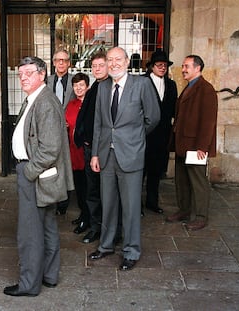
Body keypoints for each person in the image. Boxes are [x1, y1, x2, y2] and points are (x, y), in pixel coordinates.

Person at [4, 56, 74, 297]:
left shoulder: (44, 101)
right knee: (46, 226)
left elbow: (50, 148)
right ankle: (49, 276)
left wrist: (29, 172)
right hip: (37, 174)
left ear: (42, 75)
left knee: (29, 233)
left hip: (35, 174)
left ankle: (28, 284)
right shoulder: (35, 98)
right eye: (21, 73)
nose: (24, 77)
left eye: (29, 73)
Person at [89, 47, 160, 271]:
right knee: (108, 203)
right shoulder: (102, 87)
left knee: (130, 207)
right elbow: (99, 123)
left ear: (127, 62)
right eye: (110, 60)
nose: (113, 64)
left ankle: (131, 250)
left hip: (131, 155)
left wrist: (133, 138)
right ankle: (107, 244)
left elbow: (153, 118)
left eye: (118, 59)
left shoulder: (142, 85)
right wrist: (95, 154)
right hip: (106, 156)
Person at [166, 55, 218, 231]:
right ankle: (185, 210)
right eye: (182, 66)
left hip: (195, 146)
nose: (183, 69)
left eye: (187, 66)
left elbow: (208, 121)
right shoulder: (189, 87)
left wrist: (203, 147)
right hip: (182, 143)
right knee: (181, 179)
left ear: (198, 68)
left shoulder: (206, 89)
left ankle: (201, 216)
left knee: (198, 181)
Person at [74, 52, 108, 244]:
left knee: (106, 192)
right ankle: (95, 226)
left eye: (100, 65)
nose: (97, 69)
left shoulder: (109, 87)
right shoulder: (95, 86)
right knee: (92, 191)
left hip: (103, 150)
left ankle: (106, 229)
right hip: (89, 148)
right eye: (94, 66)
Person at [143, 51, 178, 214]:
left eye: (165, 65)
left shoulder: (171, 85)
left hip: (162, 135)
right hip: (145, 135)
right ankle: (135, 205)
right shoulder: (142, 82)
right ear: (151, 67)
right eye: (159, 65)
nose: (162, 68)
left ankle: (152, 202)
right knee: (140, 171)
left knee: (156, 172)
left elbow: (173, 110)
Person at [47, 49, 76, 215]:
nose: (61, 63)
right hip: (51, 130)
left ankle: (64, 203)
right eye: (58, 60)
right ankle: (53, 199)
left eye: (64, 60)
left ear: (69, 63)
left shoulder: (75, 81)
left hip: (69, 131)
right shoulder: (47, 81)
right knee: (53, 165)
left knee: (67, 165)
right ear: (53, 62)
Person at [65, 73, 90, 234]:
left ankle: (88, 218)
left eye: (81, 85)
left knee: (89, 188)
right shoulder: (71, 104)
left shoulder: (90, 103)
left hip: (86, 152)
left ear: (87, 86)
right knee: (79, 188)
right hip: (73, 152)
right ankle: (83, 215)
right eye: (75, 85)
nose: (78, 88)